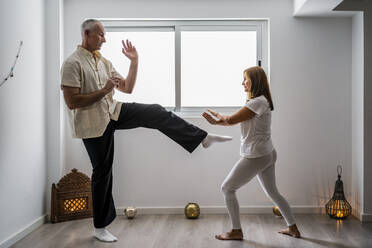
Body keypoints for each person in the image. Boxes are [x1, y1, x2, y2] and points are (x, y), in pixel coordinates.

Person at [60, 19, 232, 242]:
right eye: (101, 35)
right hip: (92, 124)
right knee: (103, 171)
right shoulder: (72, 64)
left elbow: (127, 88)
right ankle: (100, 227)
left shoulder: (103, 61)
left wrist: (134, 61)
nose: (105, 39)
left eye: (104, 35)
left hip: (112, 111)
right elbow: (72, 102)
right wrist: (104, 90)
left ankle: (202, 138)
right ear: (87, 33)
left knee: (155, 111)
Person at [202, 66, 301, 241]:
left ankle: (236, 231)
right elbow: (235, 120)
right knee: (273, 192)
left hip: (256, 156)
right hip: (267, 153)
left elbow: (232, 120)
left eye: (245, 79)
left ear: (255, 81)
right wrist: (217, 121)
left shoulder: (257, 102)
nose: (242, 83)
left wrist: (219, 119)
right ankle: (293, 228)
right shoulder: (259, 102)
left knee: (227, 188)